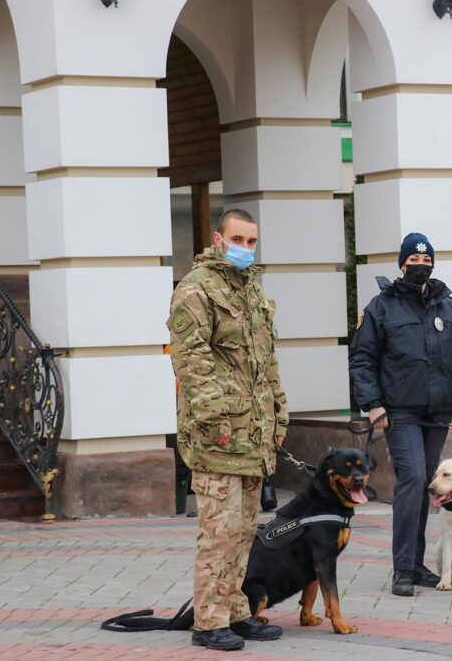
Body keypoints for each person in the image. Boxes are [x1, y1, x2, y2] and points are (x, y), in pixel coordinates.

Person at [167, 209, 288, 651]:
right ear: (219, 239)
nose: (246, 248)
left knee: (244, 531)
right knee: (218, 533)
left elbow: (266, 359)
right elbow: (191, 361)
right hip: (217, 436)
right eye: (238, 238)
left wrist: (280, 413)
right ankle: (208, 621)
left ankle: (236, 612)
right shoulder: (196, 290)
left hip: (253, 435)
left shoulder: (252, 290)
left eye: (252, 241)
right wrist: (214, 420)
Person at [349, 232, 452, 597]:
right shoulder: (381, 307)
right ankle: (402, 568)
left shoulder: (450, 307)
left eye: (426, 262)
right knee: (412, 478)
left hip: (439, 414)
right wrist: (374, 405)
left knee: (427, 485)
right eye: (413, 262)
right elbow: (362, 359)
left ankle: (418, 564)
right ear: (401, 265)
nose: (420, 267)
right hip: (399, 411)